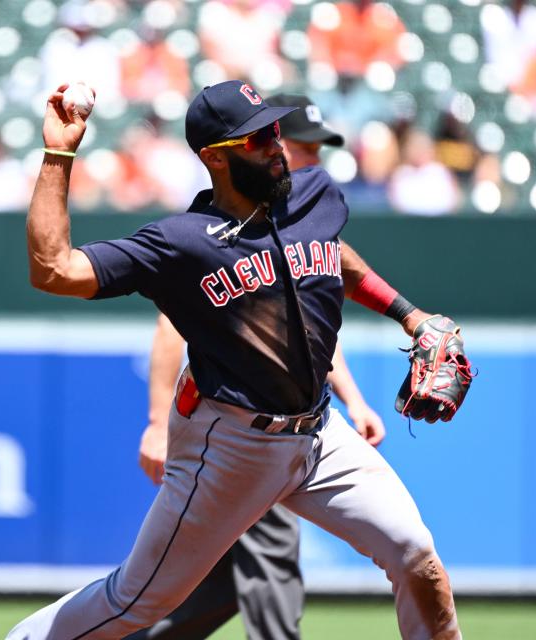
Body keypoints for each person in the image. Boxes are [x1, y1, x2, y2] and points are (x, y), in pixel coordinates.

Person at [7, 79, 464, 640]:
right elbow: (53, 270)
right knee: (135, 604)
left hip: (321, 433)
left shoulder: (314, 196)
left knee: (416, 554)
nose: (275, 144)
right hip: (230, 445)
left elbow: (331, 256)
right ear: (215, 159)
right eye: (256, 139)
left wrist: (409, 316)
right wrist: (59, 154)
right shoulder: (181, 244)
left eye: (274, 129)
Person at [128, 94, 385, 640]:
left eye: (314, 147)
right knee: (272, 562)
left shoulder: (295, 219)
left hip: (277, 424)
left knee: (212, 587)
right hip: (243, 422)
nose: (307, 156)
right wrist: (156, 421)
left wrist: (352, 398)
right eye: (300, 144)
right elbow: (172, 326)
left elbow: (307, 332)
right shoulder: (221, 231)